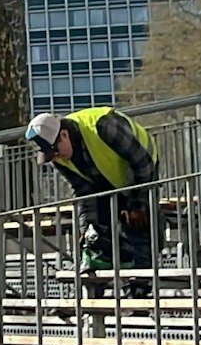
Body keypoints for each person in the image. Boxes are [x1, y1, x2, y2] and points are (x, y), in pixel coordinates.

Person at [28, 109, 160, 283]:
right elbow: (83, 192)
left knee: (138, 226)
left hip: (139, 170)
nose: (56, 157)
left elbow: (143, 164)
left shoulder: (103, 127)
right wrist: (87, 231)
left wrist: (137, 205)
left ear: (65, 135)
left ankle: (141, 285)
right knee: (98, 233)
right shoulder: (58, 156)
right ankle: (99, 283)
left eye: (55, 151)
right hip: (105, 179)